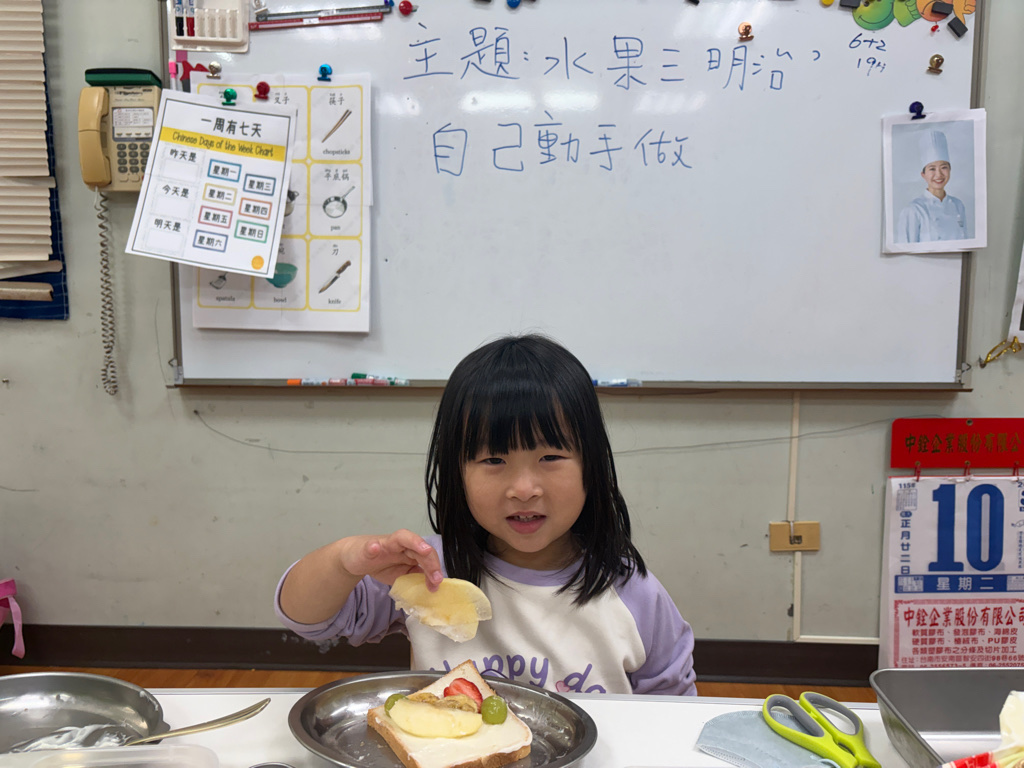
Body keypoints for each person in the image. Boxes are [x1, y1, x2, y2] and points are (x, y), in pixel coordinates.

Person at [275, 334, 697, 696]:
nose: (524, 489)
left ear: (592, 465)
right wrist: (345, 559)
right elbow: (306, 619)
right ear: (457, 472)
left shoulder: (633, 593)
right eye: (494, 460)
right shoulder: (428, 571)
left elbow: (672, 709)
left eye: (550, 457)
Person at [896, 129, 968, 244]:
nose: (939, 174)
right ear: (923, 174)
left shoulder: (958, 205)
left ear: (950, 170)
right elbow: (905, 250)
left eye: (944, 167)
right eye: (932, 169)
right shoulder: (913, 210)